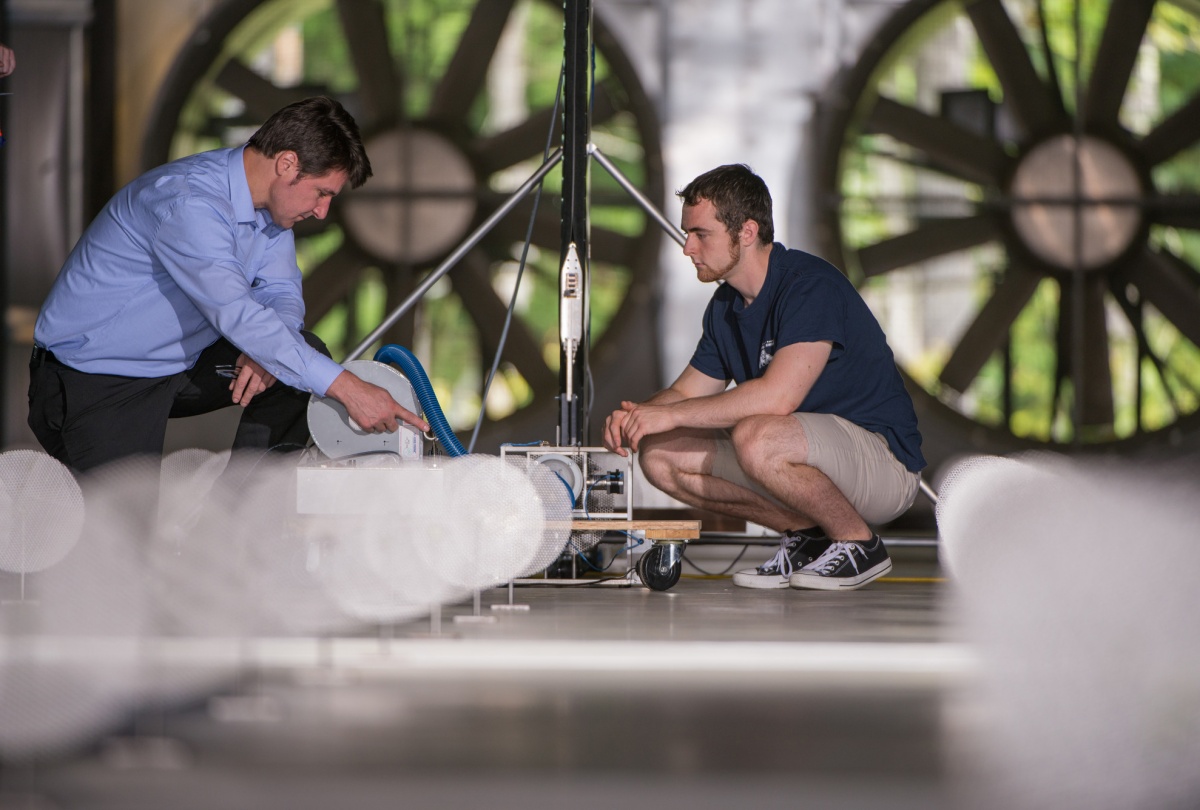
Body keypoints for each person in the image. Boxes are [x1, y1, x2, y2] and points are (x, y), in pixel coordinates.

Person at [28, 96, 429, 473]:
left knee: (299, 360)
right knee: (125, 535)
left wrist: (269, 350)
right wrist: (350, 388)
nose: (322, 212)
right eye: (321, 193)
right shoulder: (189, 203)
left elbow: (282, 294)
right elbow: (238, 315)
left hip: (177, 365)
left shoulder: (270, 210)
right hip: (97, 378)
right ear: (287, 164)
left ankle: (240, 517)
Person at [603, 164, 924, 591]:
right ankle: (808, 539)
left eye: (701, 234)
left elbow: (777, 398)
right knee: (660, 455)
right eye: (687, 233)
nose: (687, 247)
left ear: (747, 231)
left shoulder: (809, 286)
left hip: (884, 465)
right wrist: (641, 417)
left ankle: (859, 543)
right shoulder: (724, 307)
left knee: (757, 435)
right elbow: (685, 392)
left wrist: (671, 414)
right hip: (801, 451)